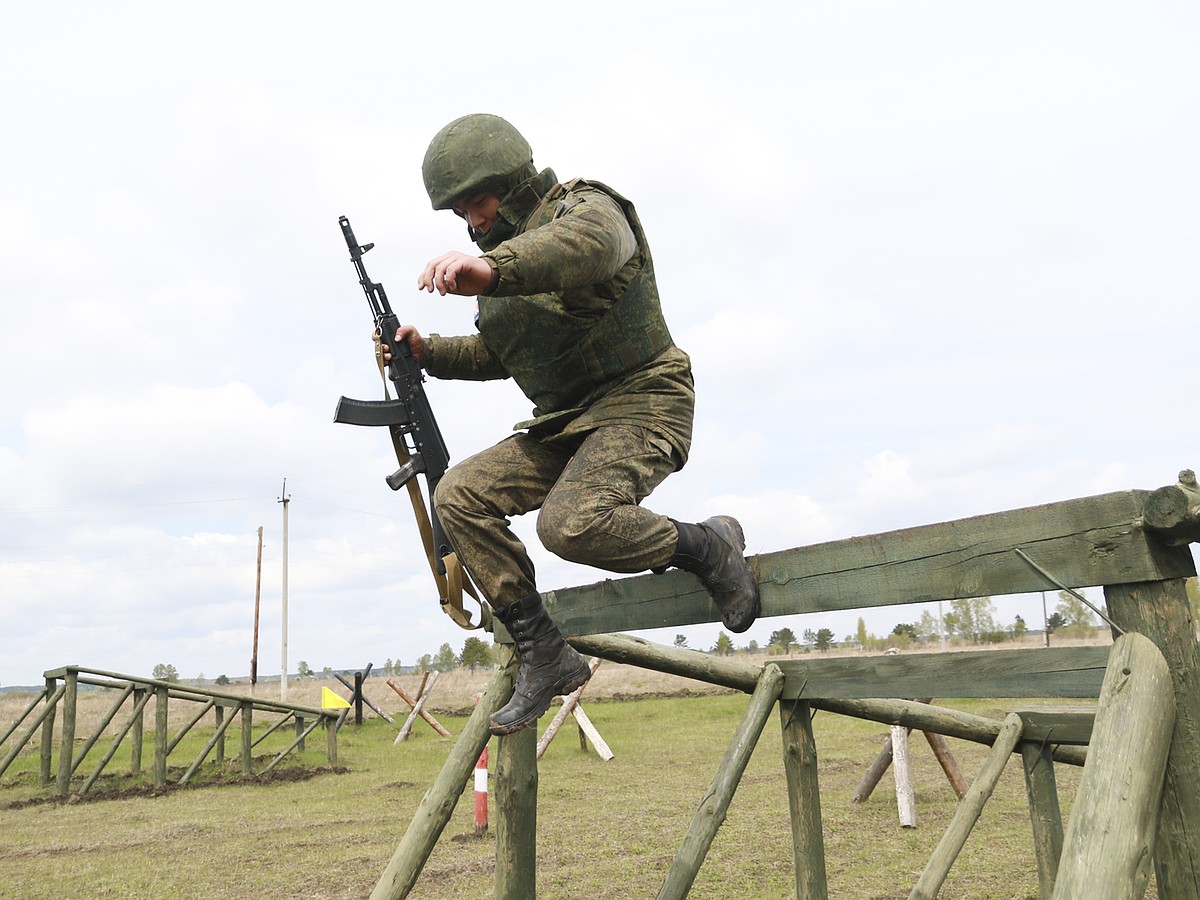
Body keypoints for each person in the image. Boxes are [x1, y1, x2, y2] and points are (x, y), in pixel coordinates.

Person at [388, 113, 759, 736]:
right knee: (458, 494)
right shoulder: (499, 270)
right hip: (565, 424)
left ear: (510, 181)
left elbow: (586, 249)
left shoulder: (588, 209)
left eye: (477, 203)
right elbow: (499, 355)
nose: (473, 223)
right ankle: (544, 652)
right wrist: (425, 351)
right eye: (461, 214)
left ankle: (708, 546)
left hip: (644, 400)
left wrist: (493, 271)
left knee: (568, 524)